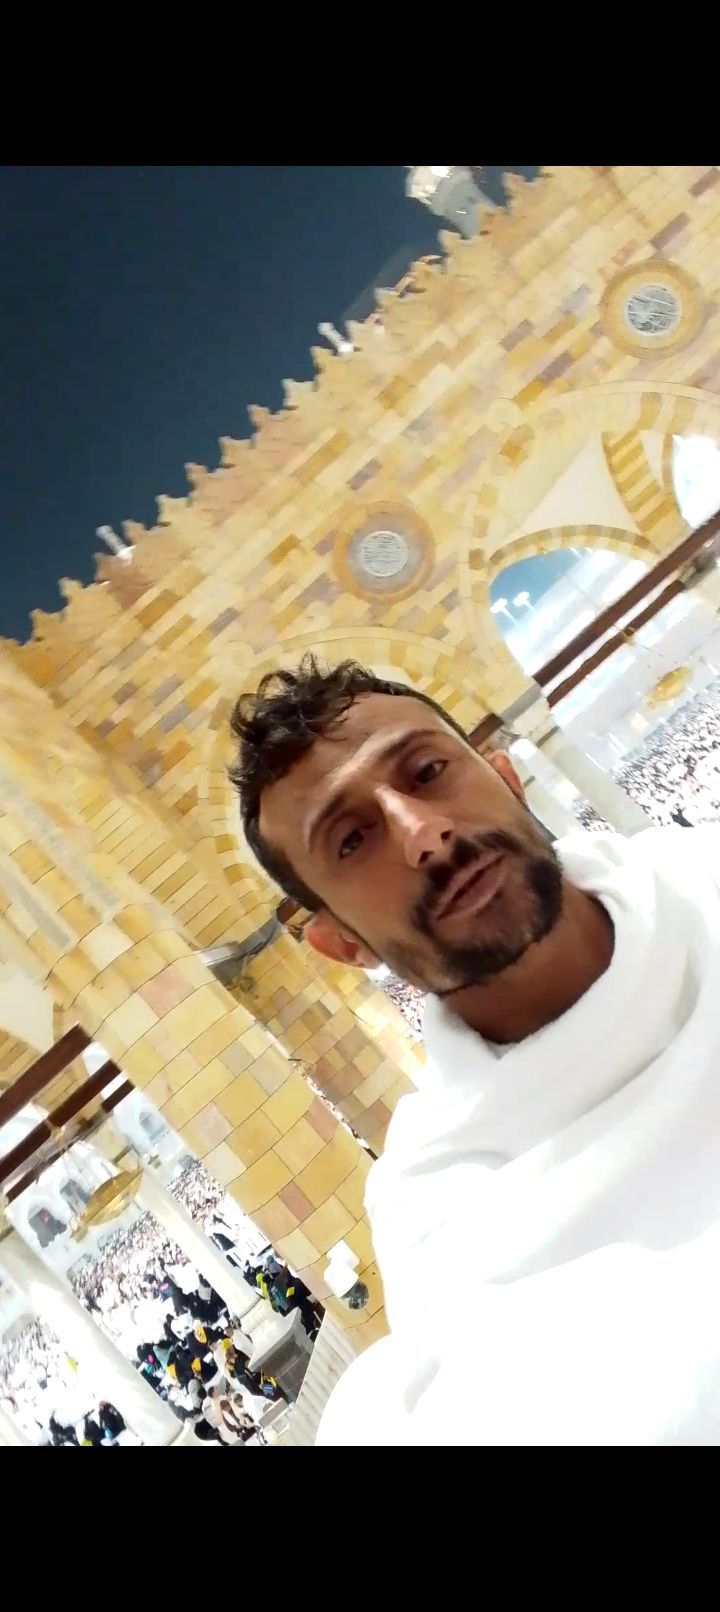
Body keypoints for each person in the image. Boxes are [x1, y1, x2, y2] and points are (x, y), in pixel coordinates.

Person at [229, 655, 720, 1446]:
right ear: (341, 944)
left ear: (505, 777)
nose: (423, 834)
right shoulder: (440, 1210)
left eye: (427, 772)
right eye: (352, 839)